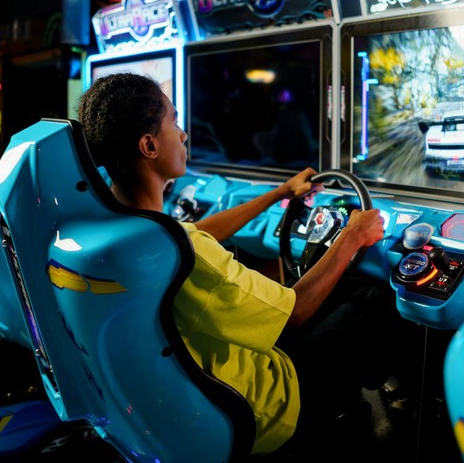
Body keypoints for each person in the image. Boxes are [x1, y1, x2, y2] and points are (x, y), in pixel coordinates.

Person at [77, 73, 399, 456]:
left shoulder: (118, 232)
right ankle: (383, 422)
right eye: (174, 122)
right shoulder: (187, 254)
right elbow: (293, 311)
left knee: (338, 294)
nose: (182, 135)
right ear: (148, 145)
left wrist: (278, 194)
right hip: (265, 406)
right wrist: (352, 236)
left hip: (179, 406)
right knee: (375, 298)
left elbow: (194, 232)